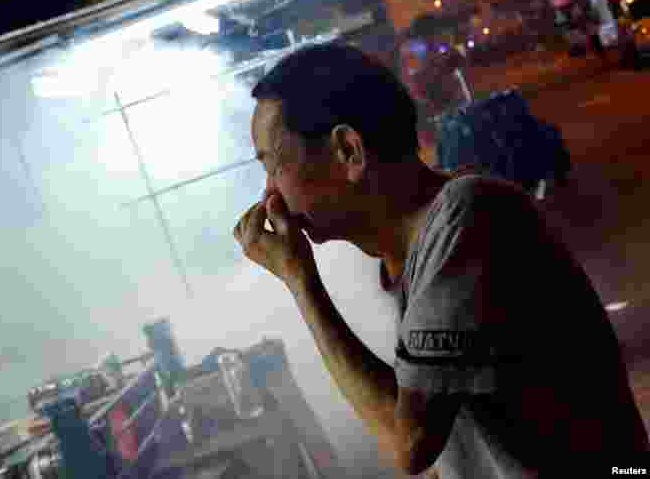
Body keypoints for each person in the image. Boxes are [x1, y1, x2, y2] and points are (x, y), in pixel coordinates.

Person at [232, 44, 647, 476]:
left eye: (275, 165)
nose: (269, 196)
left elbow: (409, 442)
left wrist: (300, 279)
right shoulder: (412, 253)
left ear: (349, 152)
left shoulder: (470, 219)